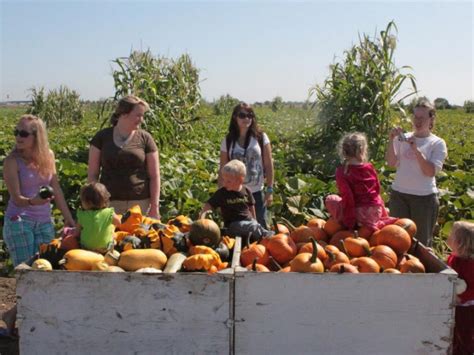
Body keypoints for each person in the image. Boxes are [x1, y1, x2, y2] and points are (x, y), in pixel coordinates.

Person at [2, 114, 75, 335]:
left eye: (23, 133)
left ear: (37, 136)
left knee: (46, 272)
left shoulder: (48, 156)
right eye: (17, 132)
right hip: (19, 222)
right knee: (29, 274)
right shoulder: (11, 161)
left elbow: (57, 189)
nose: (18, 137)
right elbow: (16, 198)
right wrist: (34, 201)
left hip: (44, 221)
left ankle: (12, 315)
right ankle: (28, 328)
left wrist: (69, 219)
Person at [385, 98, 447, 247]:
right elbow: (391, 163)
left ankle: (419, 270)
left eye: (422, 118)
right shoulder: (402, 138)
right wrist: (391, 139)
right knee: (395, 241)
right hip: (399, 195)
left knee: (420, 244)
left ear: (431, 119)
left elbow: (430, 171)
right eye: (415, 117)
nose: (417, 121)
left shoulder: (437, 143)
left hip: (424, 198)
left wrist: (416, 150)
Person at [87, 95, 161, 219]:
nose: (141, 119)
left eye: (142, 115)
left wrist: (154, 207)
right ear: (124, 113)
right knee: (110, 237)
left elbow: (154, 176)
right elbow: (92, 174)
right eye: (138, 115)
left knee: (138, 238)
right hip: (109, 204)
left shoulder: (145, 138)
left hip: (140, 203)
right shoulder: (102, 137)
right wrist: (94, 204)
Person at [325, 132, 397, 232]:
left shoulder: (342, 172)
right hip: (376, 211)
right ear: (362, 150)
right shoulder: (370, 167)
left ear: (343, 152)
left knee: (330, 199)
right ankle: (379, 221)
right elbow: (376, 191)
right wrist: (383, 214)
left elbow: (348, 197)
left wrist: (350, 223)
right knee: (376, 196)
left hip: (359, 215)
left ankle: (364, 223)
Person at [219, 102, 274, 229]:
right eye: (242, 115)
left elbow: (268, 164)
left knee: (261, 228)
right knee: (238, 228)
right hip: (236, 194)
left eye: (250, 115)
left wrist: (270, 189)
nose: (247, 119)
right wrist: (221, 194)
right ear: (235, 117)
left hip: (256, 192)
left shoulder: (261, 138)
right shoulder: (228, 141)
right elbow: (222, 169)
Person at [200, 160, 273, 241]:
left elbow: (251, 207)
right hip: (233, 224)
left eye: (228, 181)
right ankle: (268, 235)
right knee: (251, 227)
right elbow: (209, 205)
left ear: (240, 180)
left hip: (249, 222)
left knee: (253, 226)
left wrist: (254, 220)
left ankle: (264, 237)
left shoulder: (246, 191)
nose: (224, 183)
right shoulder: (222, 193)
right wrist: (201, 220)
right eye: (224, 180)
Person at [446, 221, 474, 355]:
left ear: (460, 242)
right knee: (454, 331)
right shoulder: (454, 257)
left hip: (467, 306)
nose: (448, 235)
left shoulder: (470, 265)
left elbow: (472, 289)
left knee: (465, 333)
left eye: (452, 235)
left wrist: (461, 296)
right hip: (456, 303)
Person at [74, 182, 121, 253]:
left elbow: (77, 233)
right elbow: (119, 223)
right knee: (114, 238)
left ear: (86, 202)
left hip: (86, 248)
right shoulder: (109, 212)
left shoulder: (82, 214)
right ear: (105, 199)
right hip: (105, 247)